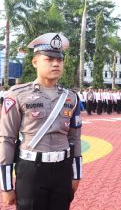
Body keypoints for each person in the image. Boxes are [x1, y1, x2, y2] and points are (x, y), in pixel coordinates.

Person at [0, 33, 82, 210]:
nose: (56, 63)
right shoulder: (17, 94)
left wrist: (76, 175)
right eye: (49, 59)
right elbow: (7, 139)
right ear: (35, 62)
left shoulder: (71, 97)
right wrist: (6, 186)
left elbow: (75, 139)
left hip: (63, 169)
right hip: (31, 170)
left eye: (59, 60)